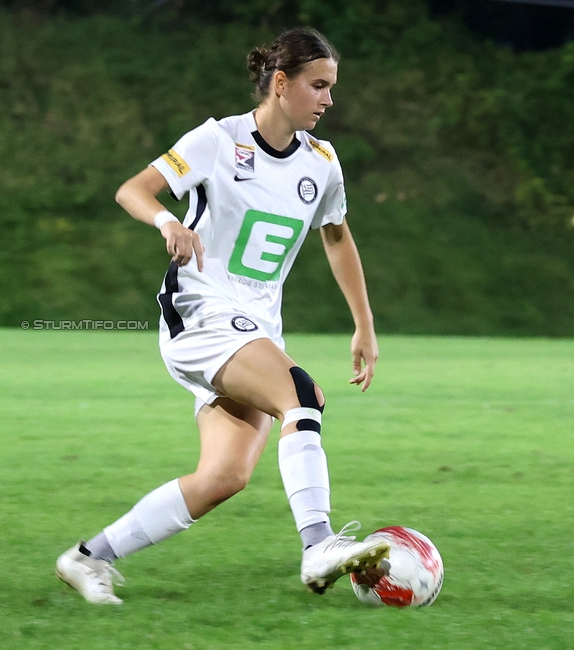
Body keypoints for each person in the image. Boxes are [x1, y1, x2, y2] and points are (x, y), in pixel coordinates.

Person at [56, 28, 389, 605]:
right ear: (281, 84)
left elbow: (337, 237)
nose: (329, 100)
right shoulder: (218, 139)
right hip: (200, 311)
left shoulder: (322, 162)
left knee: (223, 477)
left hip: (254, 328)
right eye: (319, 86)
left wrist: (364, 323)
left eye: (331, 87)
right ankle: (319, 547)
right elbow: (133, 190)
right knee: (302, 396)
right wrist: (168, 222)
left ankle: (87, 558)